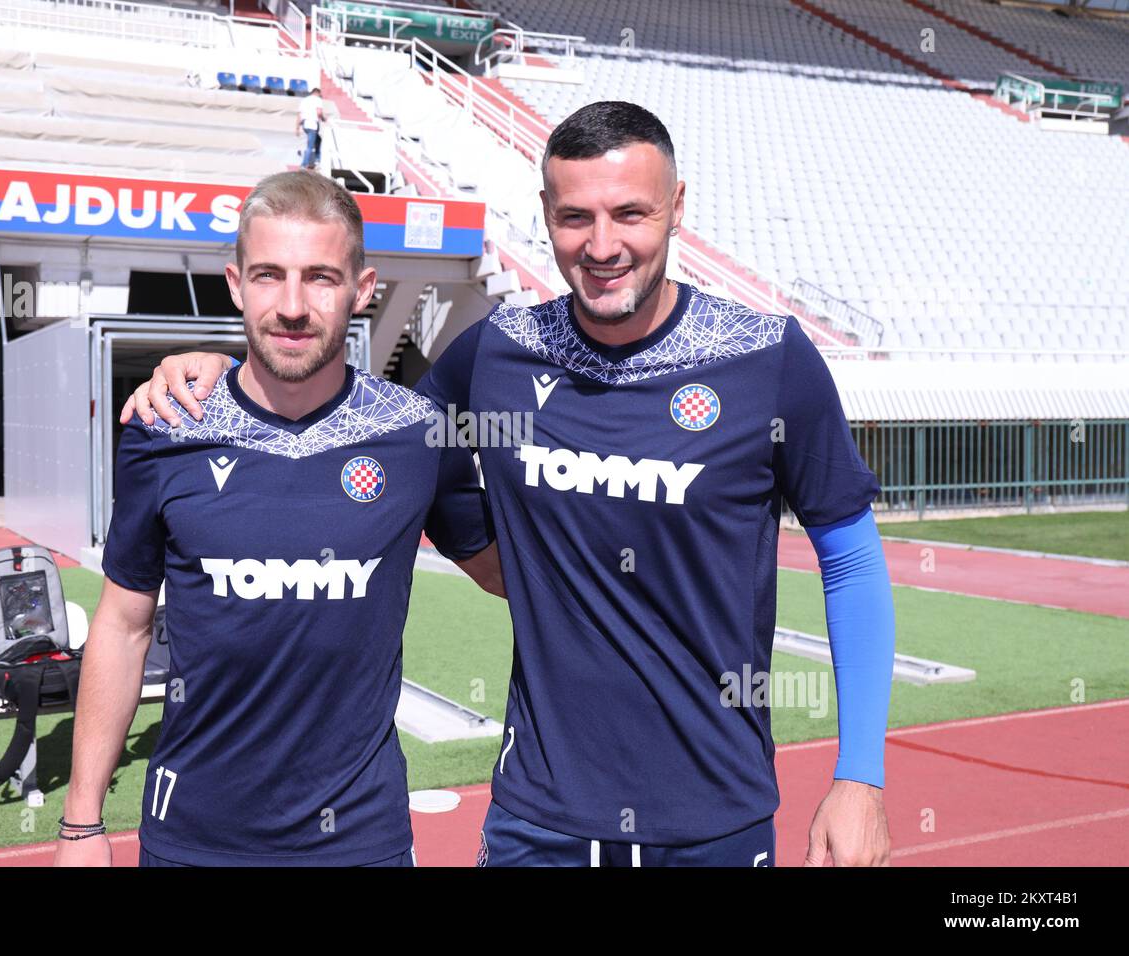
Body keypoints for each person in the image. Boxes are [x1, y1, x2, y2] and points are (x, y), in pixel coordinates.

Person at [121, 101, 897, 867]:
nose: (602, 245)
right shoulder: (496, 355)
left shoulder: (767, 359)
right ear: (545, 215)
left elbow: (852, 559)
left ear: (677, 208)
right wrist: (226, 376)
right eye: (574, 218)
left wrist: (859, 775)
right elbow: (351, 422)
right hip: (541, 818)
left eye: (630, 213)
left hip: (715, 819)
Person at [54, 170, 500, 867]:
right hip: (193, 841)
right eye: (269, 276)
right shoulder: (166, 425)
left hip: (360, 843)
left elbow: (511, 572)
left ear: (364, 288)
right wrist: (82, 826)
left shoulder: (418, 434)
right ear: (236, 284)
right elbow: (122, 622)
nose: (292, 306)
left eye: (321, 277)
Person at [297, 87, 324, 171]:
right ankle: (304, 164)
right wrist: (323, 118)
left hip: (305, 124)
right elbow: (319, 112)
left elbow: (299, 115)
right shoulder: (317, 100)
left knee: (318, 140)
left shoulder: (304, 100)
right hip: (312, 124)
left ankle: (316, 160)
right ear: (318, 93)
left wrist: (297, 128)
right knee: (310, 146)